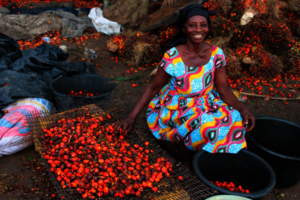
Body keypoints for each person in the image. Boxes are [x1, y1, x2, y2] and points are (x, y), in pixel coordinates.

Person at [113, 4, 255, 168]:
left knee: (234, 118)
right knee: (204, 124)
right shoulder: (173, 57)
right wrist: (131, 117)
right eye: (192, 25)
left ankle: (208, 156)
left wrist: (242, 109)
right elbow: (153, 87)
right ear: (184, 28)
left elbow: (223, 89)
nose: (198, 29)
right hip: (177, 107)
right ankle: (187, 158)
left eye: (203, 25)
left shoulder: (217, 54)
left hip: (206, 103)